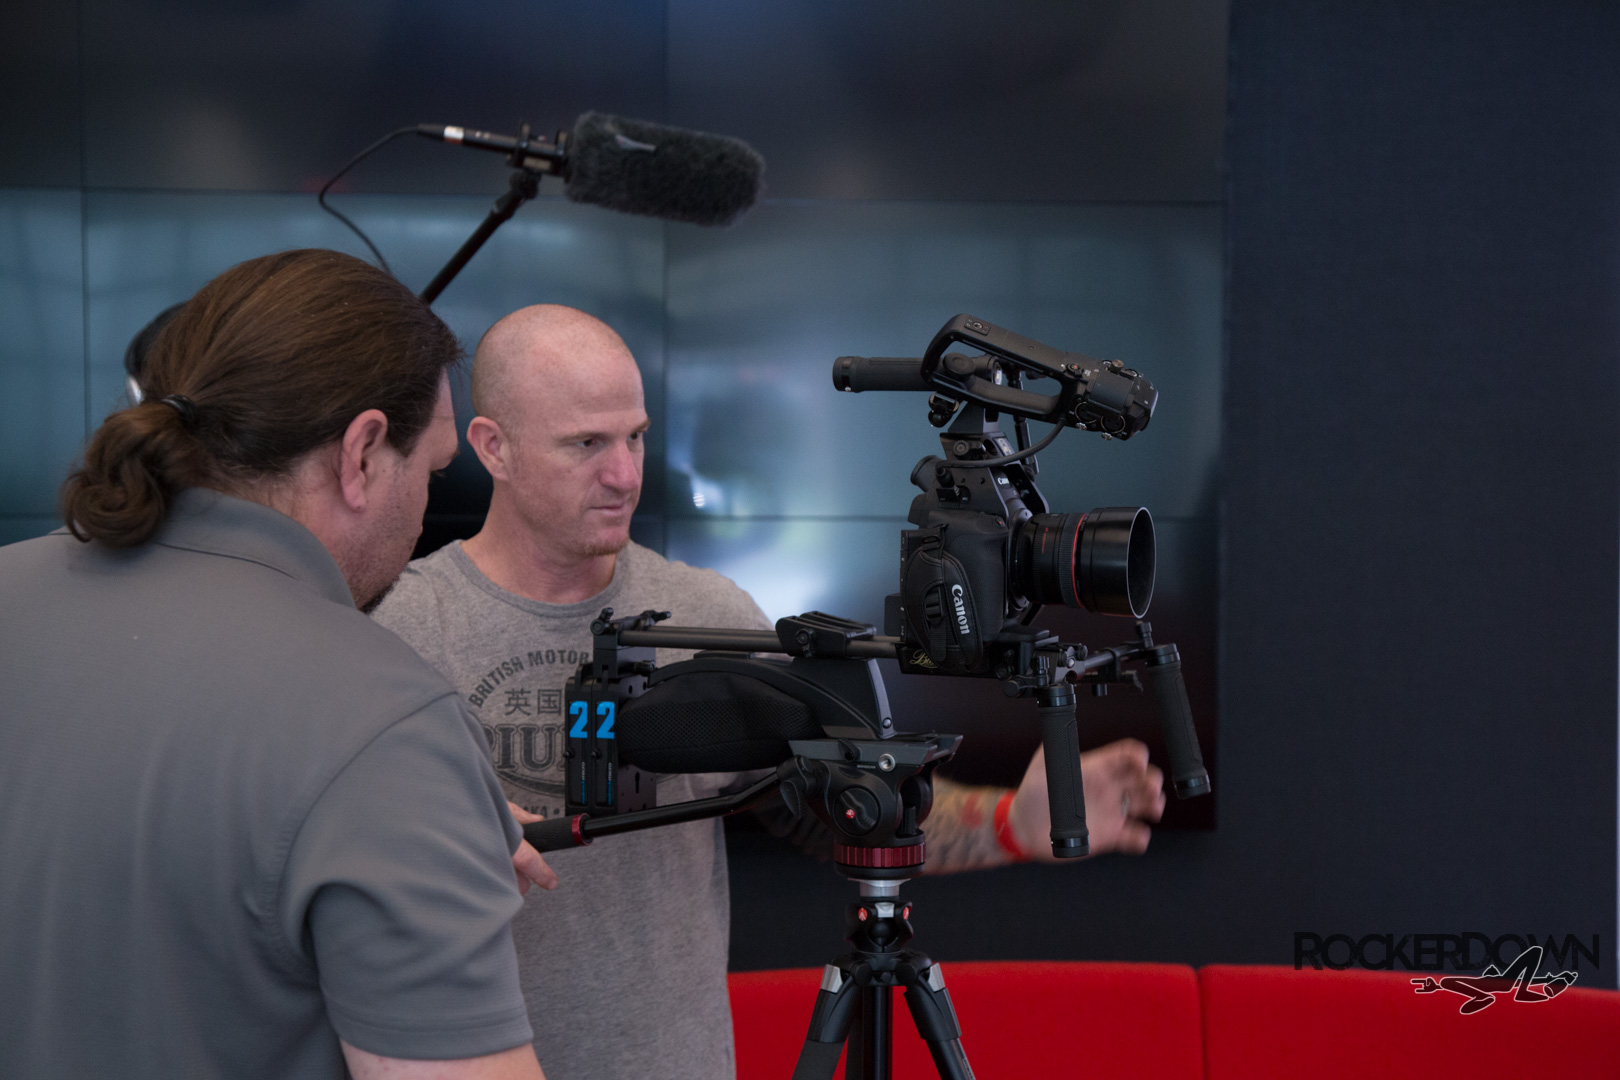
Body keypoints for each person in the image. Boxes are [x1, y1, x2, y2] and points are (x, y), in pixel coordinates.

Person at [372, 304, 1167, 1080]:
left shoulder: (709, 613)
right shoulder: (398, 628)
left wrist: (1011, 822)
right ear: (494, 448)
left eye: (635, 436)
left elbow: (838, 804)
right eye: (585, 444)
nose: (623, 474)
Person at [0, 250, 558, 1080]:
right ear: (362, 453)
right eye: (433, 473)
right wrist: (403, 810)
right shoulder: (384, 719)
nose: (424, 515)